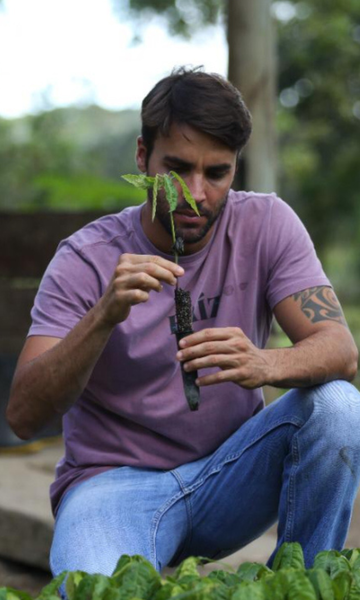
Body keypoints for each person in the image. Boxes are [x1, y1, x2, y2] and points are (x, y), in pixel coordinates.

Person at [7, 67, 360, 577]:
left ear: (235, 168)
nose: (196, 192)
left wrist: (266, 362)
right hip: (111, 489)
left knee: (338, 407)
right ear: (142, 156)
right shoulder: (85, 258)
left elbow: (341, 351)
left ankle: (307, 583)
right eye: (177, 169)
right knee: (94, 589)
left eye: (216, 173)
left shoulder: (266, 223)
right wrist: (104, 315)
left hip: (232, 475)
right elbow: (22, 415)